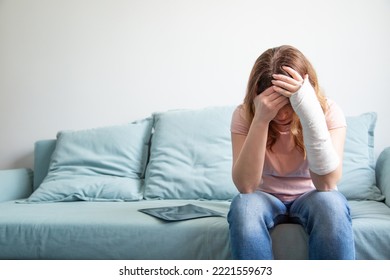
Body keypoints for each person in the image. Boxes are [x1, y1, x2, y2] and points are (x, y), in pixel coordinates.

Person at [227, 45, 355, 260]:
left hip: (312, 194)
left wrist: (308, 110)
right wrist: (261, 119)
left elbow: (326, 184)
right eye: (274, 102)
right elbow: (246, 187)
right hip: (263, 196)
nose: (283, 113)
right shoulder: (244, 115)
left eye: (289, 102)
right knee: (244, 207)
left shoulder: (329, 111)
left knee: (331, 204)